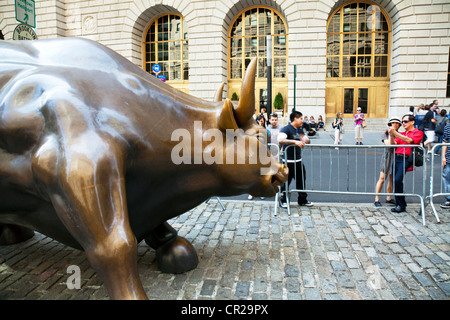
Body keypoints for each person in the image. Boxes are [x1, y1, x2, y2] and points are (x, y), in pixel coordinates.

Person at [389, 114, 424, 213]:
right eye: (402, 121)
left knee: (398, 180)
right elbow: (393, 144)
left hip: (406, 158)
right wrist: (392, 135)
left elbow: (410, 141)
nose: (403, 123)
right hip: (397, 157)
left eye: (405, 121)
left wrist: (395, 132)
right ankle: (400, 203)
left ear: (412, 122)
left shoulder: (418, 132)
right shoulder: (402, 133)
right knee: (396, 181)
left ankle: (401, 204)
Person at [278, 111, 313, 207]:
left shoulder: (300, 129)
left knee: (301, 181)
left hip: (298, 161)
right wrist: (295, 142)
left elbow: (307, 140)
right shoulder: (287, 129)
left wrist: (306, 139)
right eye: (301, 118)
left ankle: (302, 200)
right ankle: (283, 200)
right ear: (295, 119)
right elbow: (280, 139)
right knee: (286, 182)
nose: (302, 120)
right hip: (288, 161)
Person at [374, 117, 401, 207]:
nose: (395, 125)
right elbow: (389, 145)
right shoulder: (385, 134)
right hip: (387, 157)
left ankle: (388, 198)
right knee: (382, 178)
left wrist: (394, 134)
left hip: (396, 156)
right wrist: (391, 134)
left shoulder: (399, 135)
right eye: (393, 123)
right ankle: (376, 198)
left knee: (391, 179)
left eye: (397, 124)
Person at [440, 121, 450, 209]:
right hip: (449, 157)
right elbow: (444, 141)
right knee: (447, 178)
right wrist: (443, 156)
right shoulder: (448, 126)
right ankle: (449, 199)